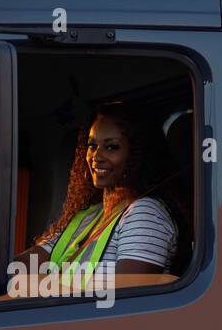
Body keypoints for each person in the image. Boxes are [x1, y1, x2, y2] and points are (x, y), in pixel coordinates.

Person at [17, 104, 180, 284]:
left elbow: (127, 298)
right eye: (92, 145)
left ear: (137, 155)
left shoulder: (146, 214)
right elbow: (21, 267)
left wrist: (41, 288)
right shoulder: (87, 216)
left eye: (111, 147)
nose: (96, 156)